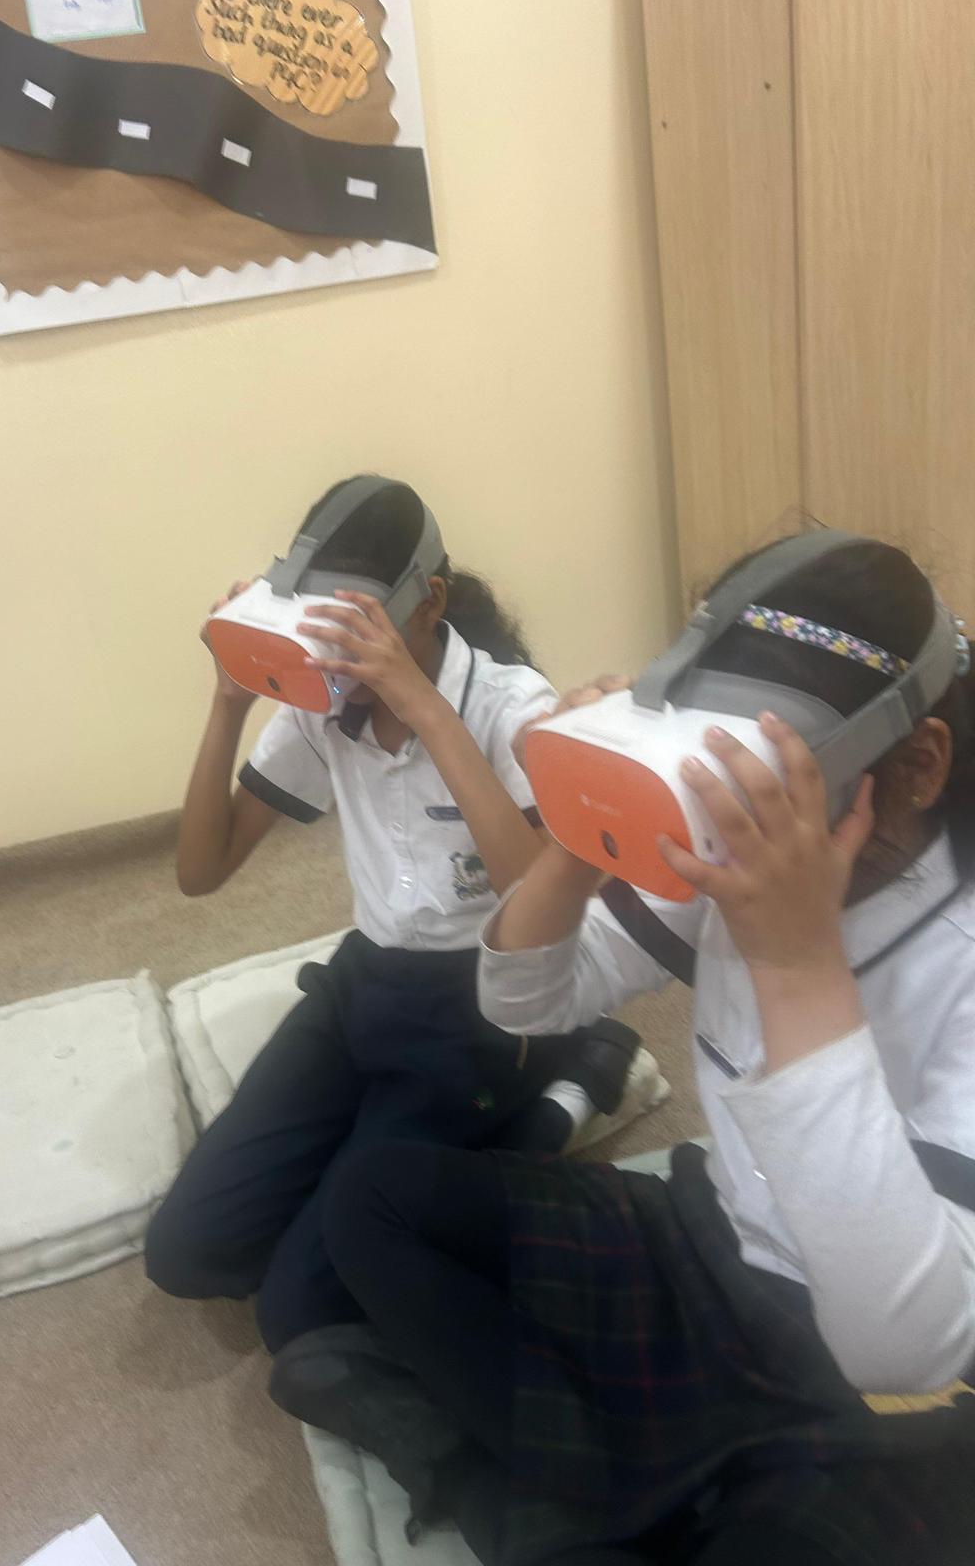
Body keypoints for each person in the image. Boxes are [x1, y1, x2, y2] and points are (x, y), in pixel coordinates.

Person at [306, 536, 975, 1564]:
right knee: (373, 1197)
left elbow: (901, 1342)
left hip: (875, 1384)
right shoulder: (727, 844)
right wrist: (581, 830)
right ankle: (611, 1493)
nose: (734, 824)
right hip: (716, 1247)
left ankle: (537, 1483)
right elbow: (526, 1001)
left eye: (777, 783)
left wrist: (797, 965)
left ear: (919, 764)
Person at [144, 476, 648, 1355]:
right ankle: (416, 1141)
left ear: (429, 603)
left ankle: (563, 1092)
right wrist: (230, 700)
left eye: (358, 628)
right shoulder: (325, 707)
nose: (338, 662)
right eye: (322, 628)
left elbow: (538, 901)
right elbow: (201, 871)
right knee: (190, 1253)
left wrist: (422, 704)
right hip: (367, 983)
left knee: (302, 1311)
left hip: (487, 1004)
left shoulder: (510, 706)